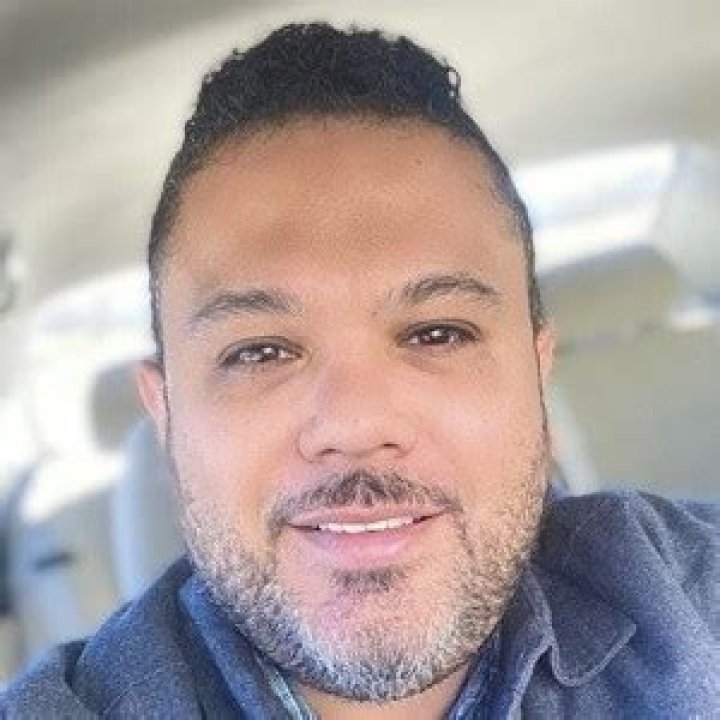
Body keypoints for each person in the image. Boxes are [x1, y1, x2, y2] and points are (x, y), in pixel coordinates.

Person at [2, 22, 718, 720]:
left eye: (437, 333)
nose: (355, 424)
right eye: (260, 351)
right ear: (165, 417)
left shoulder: (690, 601)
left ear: (537, 378)